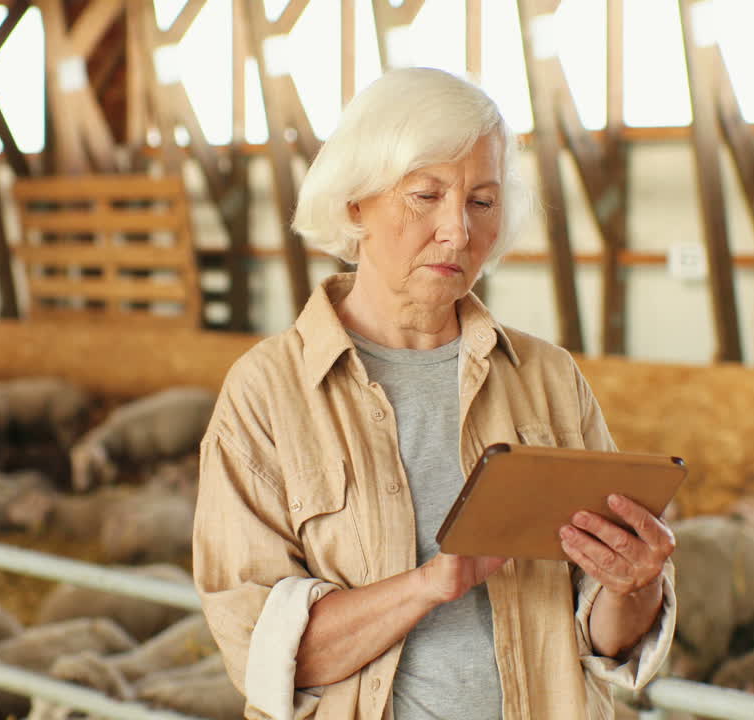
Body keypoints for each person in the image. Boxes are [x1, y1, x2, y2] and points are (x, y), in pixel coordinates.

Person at [193, 67, 676, 720]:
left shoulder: (547, 379)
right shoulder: (268, 394)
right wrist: (425, 586)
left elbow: (605, 639)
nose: (458, 230)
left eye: (482, 201)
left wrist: (633, 584)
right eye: (426, 194)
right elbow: (262, 652)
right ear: (354, 202)